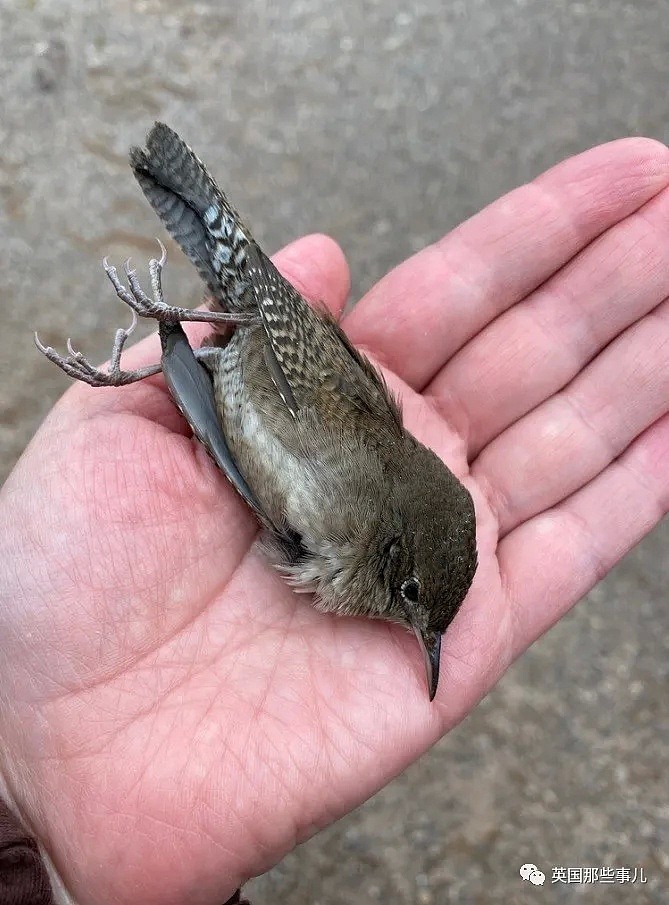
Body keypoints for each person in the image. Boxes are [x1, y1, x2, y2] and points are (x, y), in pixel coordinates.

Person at [1, 136, 668, 905]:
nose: (420, 631)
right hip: (263, 346)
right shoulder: (351, 512)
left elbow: (237, 440)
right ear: (392, 554)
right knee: (224, 260)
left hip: (256, 352)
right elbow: (260, 381)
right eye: (415, 601)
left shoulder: (376, 509)